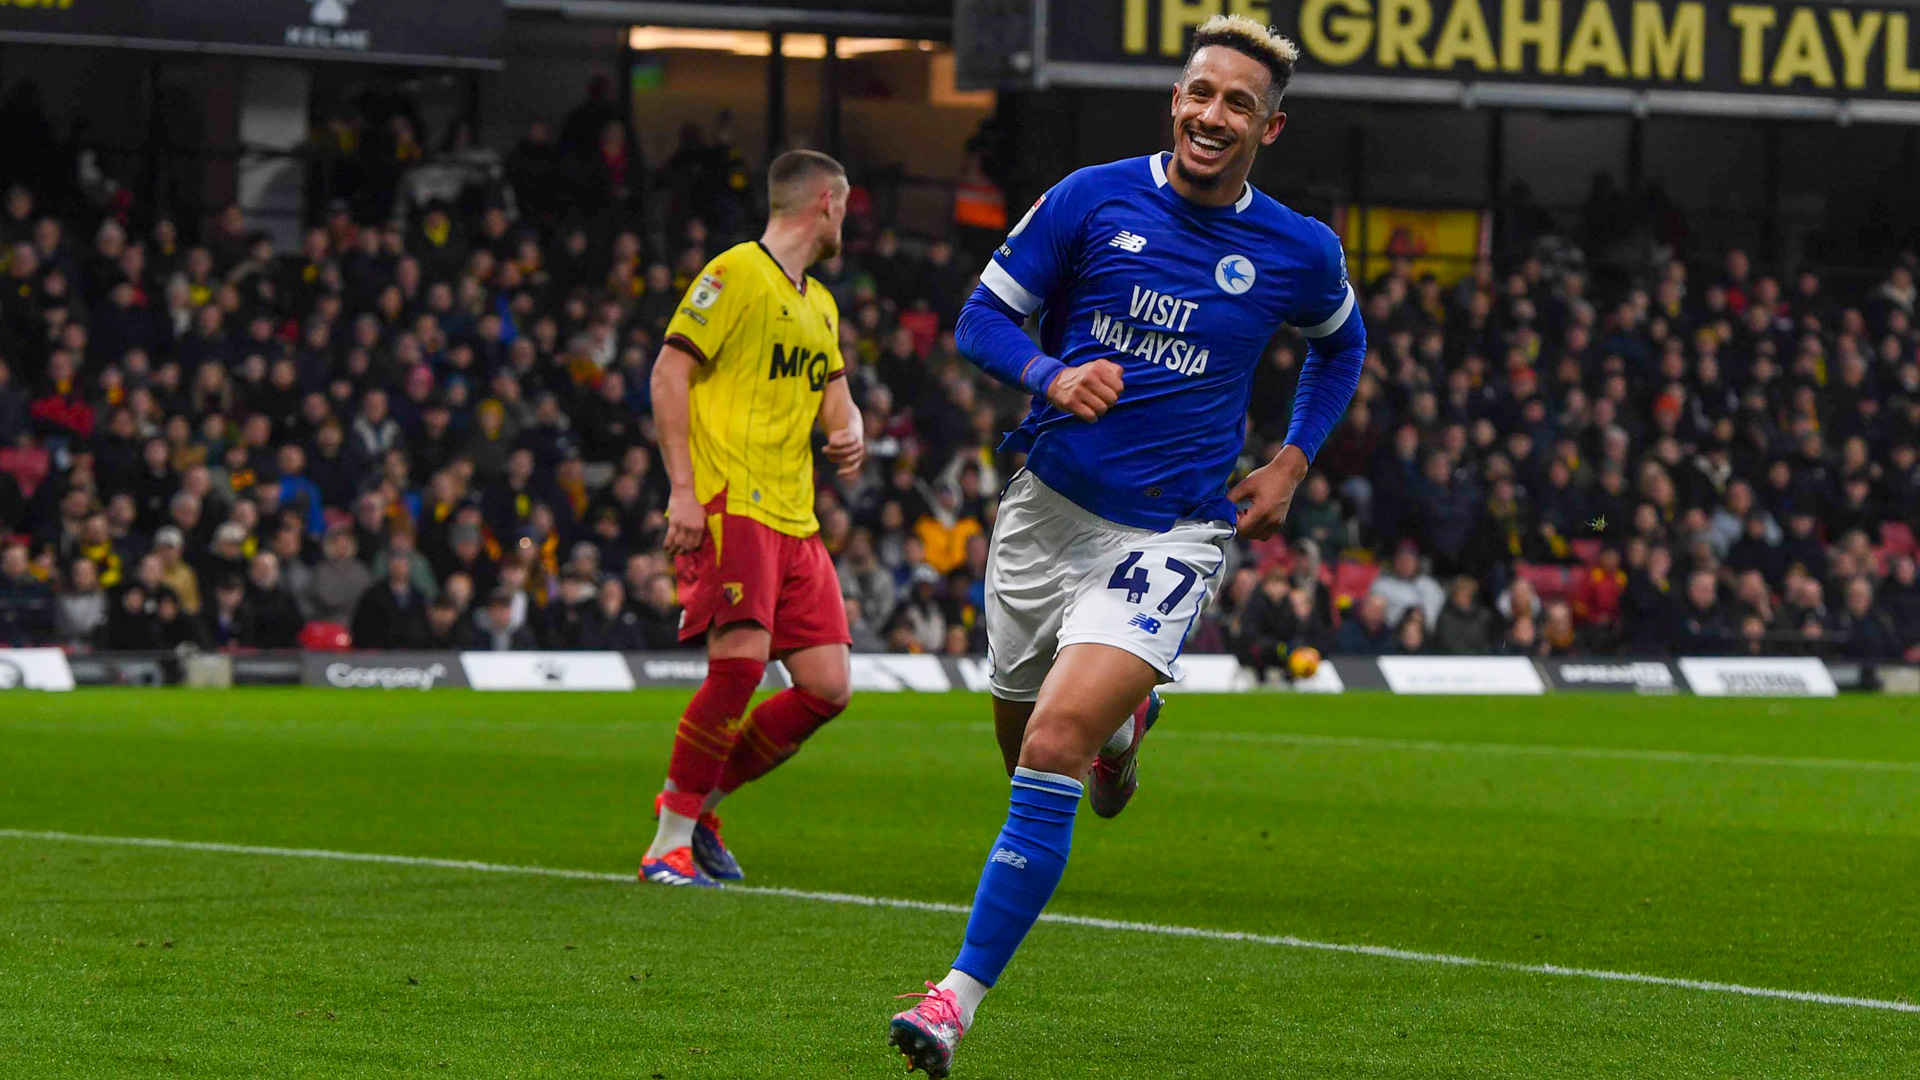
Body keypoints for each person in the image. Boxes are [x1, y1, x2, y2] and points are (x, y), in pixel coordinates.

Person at [887, 18, 1366, 1075]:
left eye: (1238, 104)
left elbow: (1342, 345)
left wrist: (1290, 462)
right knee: (1030, 755)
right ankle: (1123, 735)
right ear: (1176, 101)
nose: (1212, 115)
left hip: (1173, 533)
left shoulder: (1297, 248)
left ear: (1269, 128)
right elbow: (980, 319)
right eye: (1201, 93)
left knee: (1048, 744)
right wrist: (1052, 375)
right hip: (1043, 515)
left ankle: (951, 1000)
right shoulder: (1089, 197)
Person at [641, 150, 865, 888]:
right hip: (731, 498)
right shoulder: (733, 273)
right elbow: (670, 371)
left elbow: (835, 399)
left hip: (795, 516)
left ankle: (701, 805)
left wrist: (851, 424)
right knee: (738, 667)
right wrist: (681, 489)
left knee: (828, 687)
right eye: (847, 208)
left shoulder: (820, 304)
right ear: (826, 203)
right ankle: (667, 843)